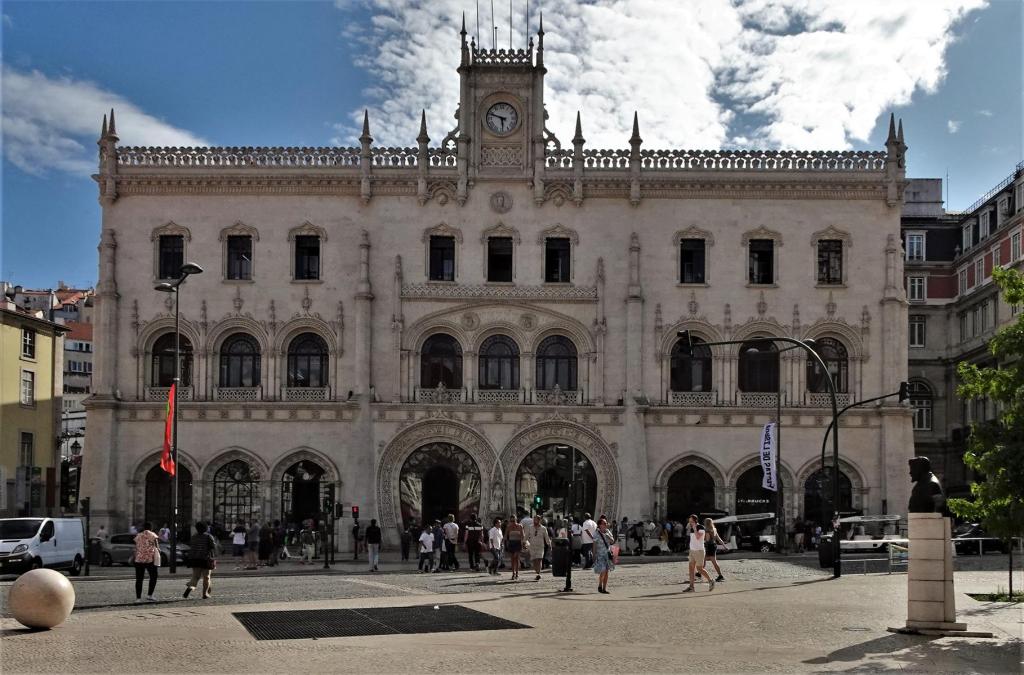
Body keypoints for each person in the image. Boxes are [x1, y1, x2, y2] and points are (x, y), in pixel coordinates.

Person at [183, 521, 218, 600]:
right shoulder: (208, 536)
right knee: (206, 577)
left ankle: (191, 587)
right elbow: (213, 547)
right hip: (205, 559)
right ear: (206, 528)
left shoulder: (194, 536)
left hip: (194, 559)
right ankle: (205, 593)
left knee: (195, 577)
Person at [683, 514, 715, 593]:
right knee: (691, 568)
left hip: (699, 551)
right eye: (689, 521)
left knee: (699, 569)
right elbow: (692, 539)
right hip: (692, 551)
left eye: (691, 521)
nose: (690, 522)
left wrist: (694, 529)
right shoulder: (691, 528)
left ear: (695, 521)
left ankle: (710, 581)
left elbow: (698, 537)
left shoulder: (701, 528)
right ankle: (691, 587)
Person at [132, 522, 161, 603]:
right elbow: (157, 548)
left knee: (139, 579)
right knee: (153, 576)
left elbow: (136, 547)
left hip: (139, 559)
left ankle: (138, 598)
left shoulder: (138, 535)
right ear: (150, 528)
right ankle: (150, 595)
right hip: (149, 559)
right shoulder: (153, 535)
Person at [592, 517, 616, 594]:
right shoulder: (596, 533)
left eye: (606, 523)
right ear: (599, 525)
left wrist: (608, 536)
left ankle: (604, 588)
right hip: (600, 555)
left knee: (606, 572)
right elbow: (594, 545)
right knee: (603, 570)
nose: (606, 524)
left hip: (608, 554)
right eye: (604, 523)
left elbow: (612, 541)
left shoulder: (608, 531)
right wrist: (593, 554)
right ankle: (600, 585)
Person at [526, 515, 550, 581]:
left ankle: (538, 573)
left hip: (540, 546)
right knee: (534, 560)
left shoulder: (543, 528)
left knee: (539, 559)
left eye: (536, 520)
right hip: (532, 546)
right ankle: (537, 571)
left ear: (539, 520)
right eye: (534, 519)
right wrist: (524, 542)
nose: (534, 521)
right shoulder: (530, 527)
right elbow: (526, 536)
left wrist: (549, 544)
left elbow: (546, 537)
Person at [702, 518, 727, 582]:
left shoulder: (707, 530)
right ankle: (699, 573)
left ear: (706, 523)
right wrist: (724, 546)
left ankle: (720, 575)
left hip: (709, 546)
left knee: (710, 561)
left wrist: (702, 540)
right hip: (714, 545)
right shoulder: (714, 529)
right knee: (705, 560)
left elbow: (707, 540)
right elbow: (719, 539)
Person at [505, 513, 524, 581]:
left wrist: (523, 543)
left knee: (516, 558)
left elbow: (522, 535)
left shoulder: (520, 526)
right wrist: (505, 543)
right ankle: (513, 573)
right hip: (511, 543)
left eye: (514, 521)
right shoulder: (508, 527)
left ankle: (517, 573)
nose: (513, 522)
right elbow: (505, 536)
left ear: (516, 520)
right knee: (512, 559)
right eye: (511, 521)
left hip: (518, 543)